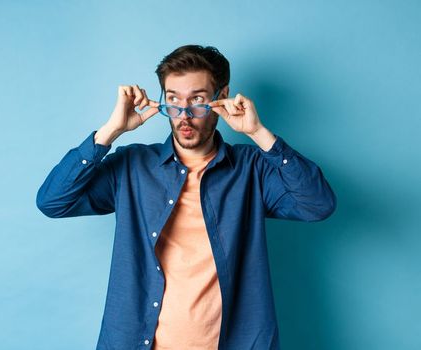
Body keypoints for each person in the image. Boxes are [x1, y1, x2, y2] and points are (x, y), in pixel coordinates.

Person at [35, 45, 336, 350]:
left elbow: (318, 204)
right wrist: (109, 132)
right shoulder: (132, 167)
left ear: (223, 95)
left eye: (198, 100)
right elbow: (53, 201)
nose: (184, 114)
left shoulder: (252, 170)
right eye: (173, 99)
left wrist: (259, 133)